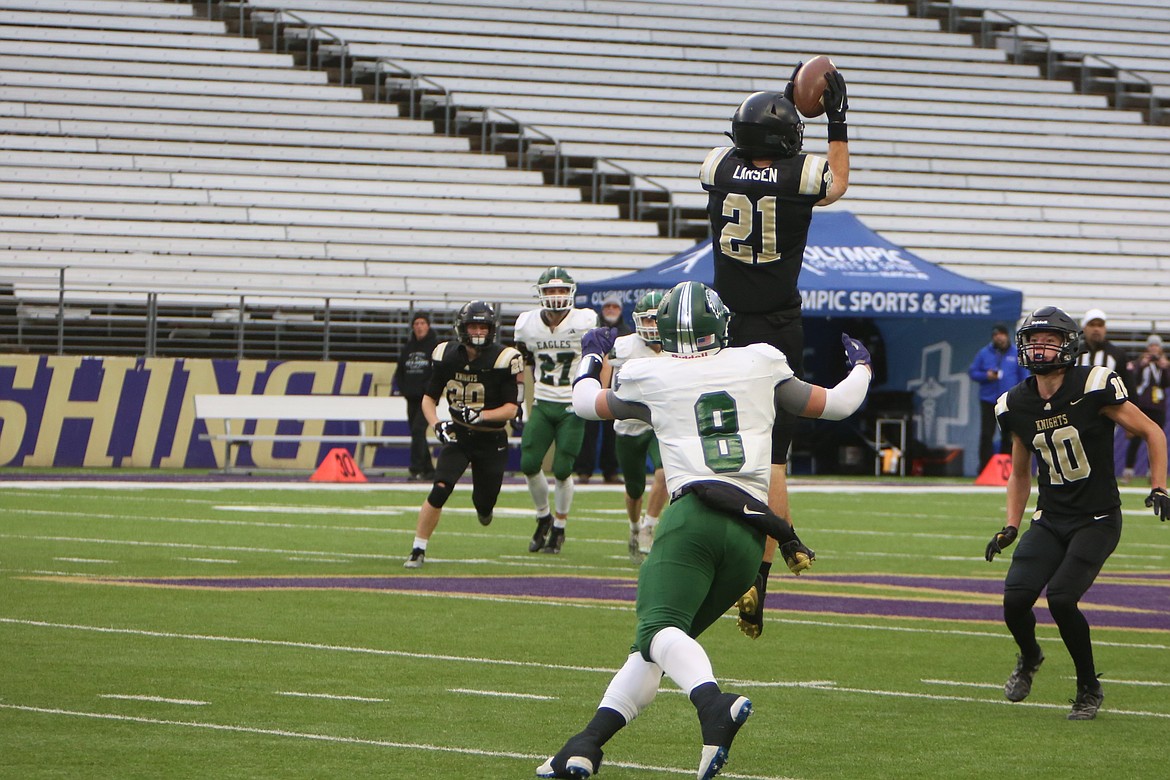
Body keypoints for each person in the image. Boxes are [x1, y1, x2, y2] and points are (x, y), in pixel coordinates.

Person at [537, 281, 873, 779]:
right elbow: (840, 403)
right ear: (723, 325)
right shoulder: (759, 360)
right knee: (657, 646)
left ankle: (713, 706)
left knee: (656, 631)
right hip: (749, 536)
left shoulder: (650, 372)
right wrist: (862, 364)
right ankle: (583, 745)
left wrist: (591, 355)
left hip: (693, 517)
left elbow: (586, 403)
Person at [699, 64, 851, 636]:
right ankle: (762, 571)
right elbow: (836, 183)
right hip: (779, 328)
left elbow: (743, 148)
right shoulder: (798, 177)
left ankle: (725, 556)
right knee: (774, 459)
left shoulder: (715, 166)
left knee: (724, 450)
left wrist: (782, 104)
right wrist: (834, 116)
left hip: (727, 325)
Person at [985, 305, 1168, 720]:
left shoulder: (1095, 385)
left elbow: (1153, 432)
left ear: (1068, 346)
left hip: (1098, 517)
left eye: (1049, 341)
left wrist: (1158, 485)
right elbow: (1019, 471)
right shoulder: (1014, 403)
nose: (1040, 348)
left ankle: (1089, 687)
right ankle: (1030, 657)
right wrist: (1011, 524)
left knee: (1062, 599)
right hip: (1050, 518)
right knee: (1015, 600)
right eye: (1034, 340)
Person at [402, 300, 522, 569]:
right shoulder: (447, 355)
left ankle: (484, 508)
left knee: (484, 502)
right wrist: (436, 424)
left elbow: (511, 408)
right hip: (460, 437)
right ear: (462, 328)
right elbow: (428, 399)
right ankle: (418, 549)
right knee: (440, 488)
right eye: (473, 326)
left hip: (491, 439)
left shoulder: (504, 359)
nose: (478, 332)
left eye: (483, 326)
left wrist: (483, 415)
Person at [513, 266, 599, 554]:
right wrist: (518, 401)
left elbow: (602, 356)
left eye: (561, 290)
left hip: (572, 404)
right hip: (543, 401)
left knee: (563, 469)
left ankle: (559, 527)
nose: (556, 295)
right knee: (528, 463)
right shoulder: (527, 324)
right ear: (541, 294)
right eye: (550, 290)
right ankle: (543, 517)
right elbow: (522, 364)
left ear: (571, 293)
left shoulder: (585, 320)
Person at [608, 290, 668, 561]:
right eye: (649, 320)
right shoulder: (625, 346)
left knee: (665, 473)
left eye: (659, 319)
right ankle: (634, 528)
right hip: (629, 426)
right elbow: (610, 386)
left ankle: (649, 527)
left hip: (660, 424)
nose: (654, 326)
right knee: (634, 490)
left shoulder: (678, 344)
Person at [574, 293, 632, 485]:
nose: (610, 310)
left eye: (614, 307)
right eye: (607, 307)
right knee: (588, 431)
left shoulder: (627, 333)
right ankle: (584, 470)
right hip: (594, 384)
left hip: (618, 387)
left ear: (620, 310)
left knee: (613, 433)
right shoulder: (594, 330)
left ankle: (611, 471)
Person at [968, 322, 1029, 469]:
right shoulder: (984, 353)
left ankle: (1007, 468)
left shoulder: (1016, 354)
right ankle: (984, 467)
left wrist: (1021, 395)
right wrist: (986, 375)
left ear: (1007, 336)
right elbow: (972, 372)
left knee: (1008, 435)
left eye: (1001, 334)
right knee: (986, 434)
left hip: (1009, 400)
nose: (999, 338)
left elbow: (1024, 376)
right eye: (996, 335)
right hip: (988, 400)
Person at [392, 312, 439, 480]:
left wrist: (428, 390)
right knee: (416, 433)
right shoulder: (407, 348)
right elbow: (400, 373)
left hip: (427, 399)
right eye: (416, 323)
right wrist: (405, 390)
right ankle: (429, 470)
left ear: (428, 326)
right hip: (411, 398)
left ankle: (416, 469)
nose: (419, 326)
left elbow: (438, 373)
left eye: (422, 323)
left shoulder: (434, 347)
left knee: (418, 431)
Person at [1123, 334, 1170, 482]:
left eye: (1156, 346)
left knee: (1156, 439)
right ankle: (1128, 471)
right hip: (1142, 405)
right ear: (1147, 348)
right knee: (1135, 439)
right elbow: (1132, 379)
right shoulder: (1140, 362)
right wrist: (1141, 365)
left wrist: (1166, 367)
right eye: (1151, 346)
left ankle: (1153, 473)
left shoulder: (1163, 364)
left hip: (1157, 406)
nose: (1154, 349)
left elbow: (1166, 383)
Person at [1078, 308, 1135, 398]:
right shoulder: (1075, 353)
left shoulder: (1118, 354)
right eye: (1092, 325)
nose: (1096, 329)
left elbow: (1129, 388)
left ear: (1105, 328)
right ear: (1084, 328)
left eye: (1100, 325)